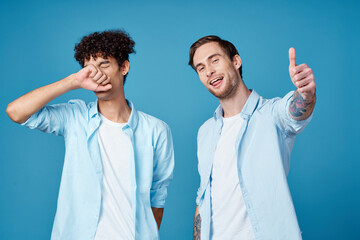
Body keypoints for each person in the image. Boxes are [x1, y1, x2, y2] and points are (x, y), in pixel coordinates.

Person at [6, 30, 174, 240]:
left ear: (124, 67)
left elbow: (158, 196)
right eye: (88, 68)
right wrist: (73, 81)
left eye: (104, 64)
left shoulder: (156, 130)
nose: (96, 73)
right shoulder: (75, 118)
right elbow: (16, 112)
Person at [188, 35, 316, 240]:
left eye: (214, 60)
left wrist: (306, 93)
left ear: (236, 61)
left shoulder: (272, 114)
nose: (209, 71)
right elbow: (203, 197)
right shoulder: (205, 131)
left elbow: (294, 112)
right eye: (201, 68)